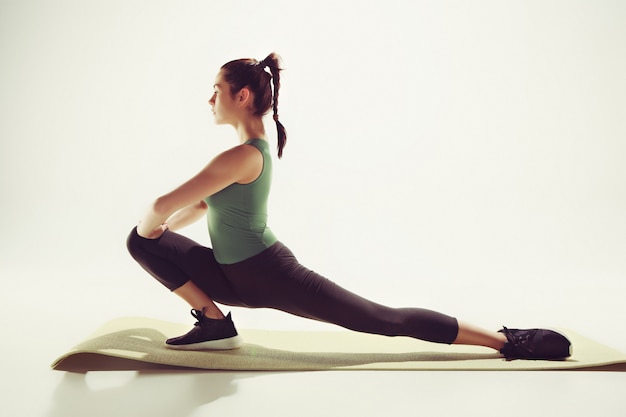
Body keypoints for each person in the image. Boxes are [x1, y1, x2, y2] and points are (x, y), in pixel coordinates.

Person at [126, 52, 571, 361]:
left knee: (380, 319)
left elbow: (162, 204)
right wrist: (158, 232)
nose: (210, 100)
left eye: (216, 90)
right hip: (232, 274)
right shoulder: (242, 154)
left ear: (241, 96)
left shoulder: (243, 156)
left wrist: (154, 225)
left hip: (267, 273)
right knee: (142, 241)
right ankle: (215, 323)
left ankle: (503, 340)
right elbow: (199, 206)